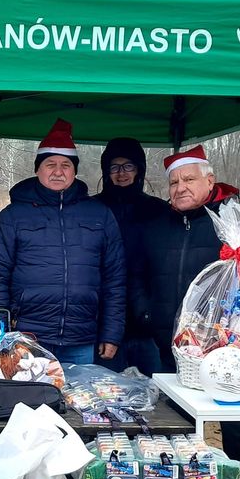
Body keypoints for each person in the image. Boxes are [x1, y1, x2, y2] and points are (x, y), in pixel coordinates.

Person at [128, 144, 240, 479]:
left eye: (189, 179)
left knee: (237, 427)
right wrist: (147, 314)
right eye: (174, 182)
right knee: (175, 422)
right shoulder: (156, 226)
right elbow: (137, 275)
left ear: (209, 180)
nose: (180, 187)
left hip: (230, 346)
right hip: (175, 344)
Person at [0, 119, 125, 365]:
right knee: (27, 403)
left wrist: (111, 333)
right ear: (38, 169)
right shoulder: (13, 216)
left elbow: (115, 278)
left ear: (74, 170)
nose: (58, 171)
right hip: (26, 338)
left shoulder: (100, 215)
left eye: (65, 165)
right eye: (50, 164)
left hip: (81, 339)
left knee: (79, 402)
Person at [94, 137, 169, 376]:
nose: (121, 173)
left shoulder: (159, 210)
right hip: (103, 323)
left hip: (148, 325)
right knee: (106, 393)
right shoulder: (92, 209)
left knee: (157, 396)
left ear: (139, 170)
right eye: (114, 167)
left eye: (128, 166)